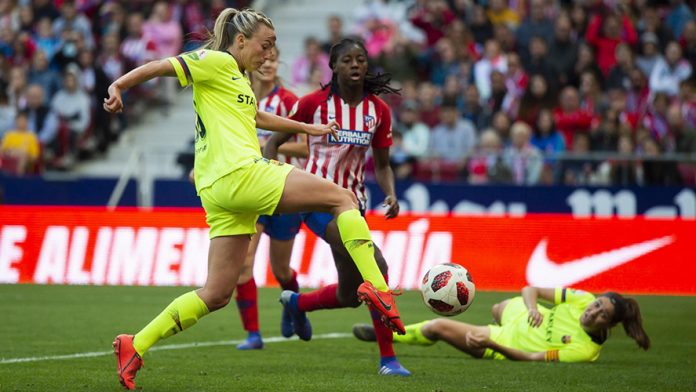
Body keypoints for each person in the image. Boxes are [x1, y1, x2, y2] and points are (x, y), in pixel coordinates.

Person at [103, 9, 404, 390]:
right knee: (343, 198)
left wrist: (305, 126)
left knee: (215, 294)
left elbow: (256, 117)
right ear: (241, 40)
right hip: (240, 174)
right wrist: (118, 85)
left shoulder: (236, 79)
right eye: (265, 45)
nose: (269, 54)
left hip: (219, 193)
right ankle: (377, 288)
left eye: (274, 47)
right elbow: (162, 65)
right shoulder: (215, 60)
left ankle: (136, 343)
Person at [264, 38, 410, 376]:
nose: (355, 65)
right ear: (334, 66)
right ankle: (388, 359)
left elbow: (383, 164)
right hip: (315, 200)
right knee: (377, 266)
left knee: (349, 294)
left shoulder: (378, 111)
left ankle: (296, 303)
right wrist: (273, 180)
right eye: (347, 60)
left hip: (353, 205)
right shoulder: (313, 103)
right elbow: (274, 141)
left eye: (360, 59)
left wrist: (391, 194)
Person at [353, 286, 650, 363]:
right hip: (522, 317)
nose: (593, 311)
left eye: (601, 315)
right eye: (597, 304)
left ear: (608, 326)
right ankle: (499, 317)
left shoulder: (584, 350)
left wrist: (492, 343)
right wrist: (533, 308)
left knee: (437, 327)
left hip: (505, 340)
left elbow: (531, 358)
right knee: (499, 306)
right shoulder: (582, 300)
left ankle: (391, 336)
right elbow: (530, 289)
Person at [232, 45, 305, 351]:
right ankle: (253, 334)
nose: (268, 64)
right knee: (244, 264)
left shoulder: (288, 100)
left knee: (281, 271)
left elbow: (303, 149)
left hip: (283, 190)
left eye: (275, 59)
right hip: (251, 190)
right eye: (265, 58)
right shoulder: (236, 94)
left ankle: (293, 305)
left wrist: (267, 143)